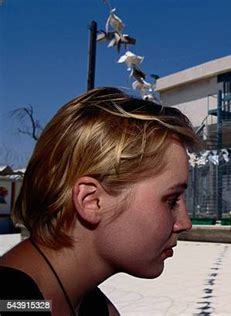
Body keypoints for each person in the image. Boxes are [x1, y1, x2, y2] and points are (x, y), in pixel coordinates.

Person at [0, 87, 200, 315]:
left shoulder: (91, 305)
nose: (185, 223)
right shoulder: (10, 304)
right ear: (91, 201)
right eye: (171, 200)